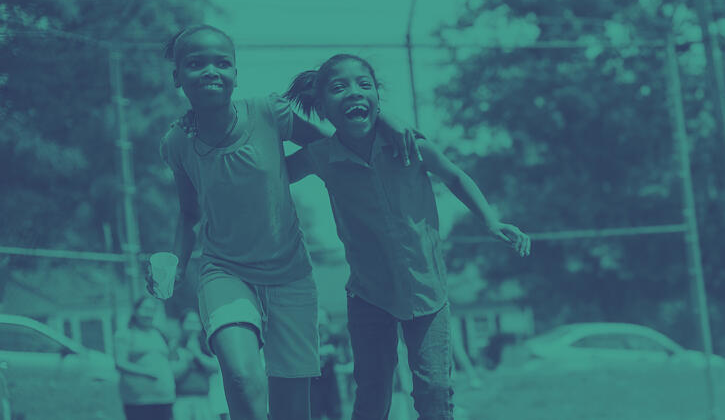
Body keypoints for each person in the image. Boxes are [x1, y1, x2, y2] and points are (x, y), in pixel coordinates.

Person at [151, 25, 420, 420]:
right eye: (195, 64)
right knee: (242, 377)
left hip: (290, 275)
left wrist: (383, 118)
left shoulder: (268, 113)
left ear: (236, 73)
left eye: (222, 63)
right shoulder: (177, 143)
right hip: (225, 272)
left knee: (292, 410)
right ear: (177, 76)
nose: (211, 71)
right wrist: (175, 263)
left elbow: (336, 141)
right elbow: (190, 215)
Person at [284, 54, 531, 420]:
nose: (354, 92)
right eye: (340, 87)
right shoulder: (321, 157)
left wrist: (490, 221)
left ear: (377, 99)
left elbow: (455, 176)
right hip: (369, 295)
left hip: (426, 291)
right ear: (321, 104)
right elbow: (272, 171)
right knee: (372, 395)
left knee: (434, 391)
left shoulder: (410, 145)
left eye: (364, 85)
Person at [114, 296, 178, 420]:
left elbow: (169, 360)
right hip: (139, 400)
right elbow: (119, 363)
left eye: (152, 309)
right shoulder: (125, 334)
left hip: (165, 397)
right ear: (135, 310)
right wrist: (147, 372)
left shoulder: (159, 334)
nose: (148, 313)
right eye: (145, 309)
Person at [171, 310, 219, 420]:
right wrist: (188, 359)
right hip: (181, 401)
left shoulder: (207, 346)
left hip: (205, 400)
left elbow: (215, 368)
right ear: (181, 325)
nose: (193, 326)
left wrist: (197, 354)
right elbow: (173, 374)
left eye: (196, 323)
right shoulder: (174, 345)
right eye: (189, 322)